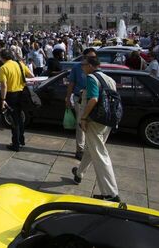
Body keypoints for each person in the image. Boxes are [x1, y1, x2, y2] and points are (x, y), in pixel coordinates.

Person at [72, 56, 120, 202]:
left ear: (91, 66)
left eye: (83, 65)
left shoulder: (92, 78)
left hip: (95, 121)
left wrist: (83, 118)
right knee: (91, 149)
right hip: (107, 121)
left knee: (100, 155)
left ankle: (111, 194)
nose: (82, 67)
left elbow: (93, 99)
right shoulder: (109, 79)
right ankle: (79, 174)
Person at [65, 47, 98, 160]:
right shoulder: (77, 67)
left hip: (93, 99)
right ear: (84, 57)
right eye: (91, 57)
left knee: (91, 125)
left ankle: (90, 148)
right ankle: (80, 149)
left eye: (94, 57)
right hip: (80, 99)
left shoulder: (96, 68)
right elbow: (71, 83)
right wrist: (68, 97)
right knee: (81, 124)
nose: (93, 59)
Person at [0, 49, 33, 152]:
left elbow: (4, 85)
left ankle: (16, 144)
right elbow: (31, 75)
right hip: (22, 94)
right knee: (20, 118)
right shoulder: (20, 64)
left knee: (14, 120)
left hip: (11, 95)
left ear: (2, 58)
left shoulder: (3, 68)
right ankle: (21, 140)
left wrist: (3, 99)